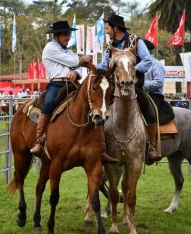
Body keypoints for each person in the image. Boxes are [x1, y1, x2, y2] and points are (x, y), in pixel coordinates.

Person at [30, 20, 118, 163]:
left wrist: (75, 74)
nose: (68, 37)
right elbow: (73, 62)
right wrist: (81, 60)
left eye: (69, 34)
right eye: (65, 35)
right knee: (49, 103)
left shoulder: (68, 50)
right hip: (57, 85)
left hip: (72, 84)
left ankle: (101, 147)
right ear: (57, 35)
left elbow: (77, 68)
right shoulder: (50, 48)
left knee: (94, 106)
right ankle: (39, 141)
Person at [98, 14, 161, 164]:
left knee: (150, 110)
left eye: (107, 28)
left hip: (133, 85)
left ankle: (151, 147)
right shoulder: (110, 46)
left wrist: (129, 70)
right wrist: (95, 71)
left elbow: (147, 61)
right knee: (97, 109)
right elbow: (104, 64)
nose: (106, 31)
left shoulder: (136, 41)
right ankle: (99, 146)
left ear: (115, 28)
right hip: (113, 86)